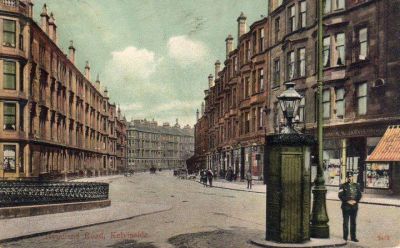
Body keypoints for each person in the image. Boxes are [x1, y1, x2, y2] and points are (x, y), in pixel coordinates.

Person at [339, 172, 362, 242]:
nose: (349, 178)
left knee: (353, 222)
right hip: (346, 207)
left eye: (351, 177)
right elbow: (340, 195)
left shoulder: (356, 185)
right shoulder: (343, 186)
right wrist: (347, 201)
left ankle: (353, 237)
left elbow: (359, 195)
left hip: (354, 207)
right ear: (346, 178)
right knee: (345, 222)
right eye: (348, 177)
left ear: (353, 177)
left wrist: (356, 201)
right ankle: (345, 237)